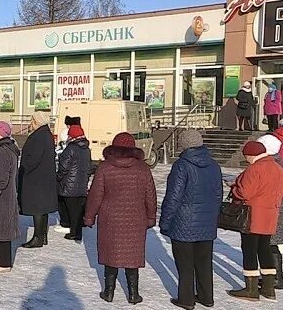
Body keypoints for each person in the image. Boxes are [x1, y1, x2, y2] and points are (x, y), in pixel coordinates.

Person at [84, 132, 157, 305]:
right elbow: (151, 196)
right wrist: (151, 217)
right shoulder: (143, 168)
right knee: (132, 256)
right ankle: (133, 295)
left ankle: (108, 293)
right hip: (135, 218)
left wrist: (89, 217)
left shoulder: (105, 168)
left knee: (111, 255)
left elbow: (95, 195)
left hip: (110, 218)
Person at [159, 130, 223, 309]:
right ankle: (206, 297)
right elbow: (218, 194)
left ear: (184, 145)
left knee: (185, 264)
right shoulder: (213, 165)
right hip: (206, 223)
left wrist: (165, 222)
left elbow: (174, 197)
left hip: (183, 223)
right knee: (204, 262)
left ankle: (186, 299)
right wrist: (213, 217)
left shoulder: (181, 165)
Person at [227, 141, 283, 301]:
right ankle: (269, 288)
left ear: (252, 155)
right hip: (270, 215)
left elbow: (244, 192)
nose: (247, 160)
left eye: (247, 157)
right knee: (265, 250)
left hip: (253, 217)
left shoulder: (255, 169)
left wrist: (234, 187)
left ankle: (251, 290)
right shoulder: (277, 168)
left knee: (249, 251)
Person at [0, 121, 21, 274]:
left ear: (0, 133)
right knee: (2, 228)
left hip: (2, 196)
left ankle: (4, 262)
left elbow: (0, 177)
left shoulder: (2, 151)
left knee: (2, 229)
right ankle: (2, 259)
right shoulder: (5, 149)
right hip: (6, 195)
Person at [19, 112, 57, 248]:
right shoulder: (46, 134)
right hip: (44, 176)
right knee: (42, 207)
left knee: (38, 207)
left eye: (32, 120)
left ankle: (38, 237)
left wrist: (25, 166)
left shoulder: (39, 136)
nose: (31, 122)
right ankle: (42, 236)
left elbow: (34, 157)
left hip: (36, 177)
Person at [56, 125, 91, 243]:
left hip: (69, 184)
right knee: (77, 210)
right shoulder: (86, 149)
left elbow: (63, 167)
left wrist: (58, 178)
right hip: (81, 184)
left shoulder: (70, 148)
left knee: (71, 209)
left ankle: (74, 233)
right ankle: (77, 232)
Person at [257, 134, 283, 290]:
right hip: (277, 206)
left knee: (270, 243)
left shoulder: (271, 165)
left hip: (274, 208)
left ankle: (275, 277)